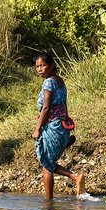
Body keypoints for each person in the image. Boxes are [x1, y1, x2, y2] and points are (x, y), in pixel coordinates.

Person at [33, 51, 86, 200]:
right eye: (37, 66)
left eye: (43, 65)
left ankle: (51, 200)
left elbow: (46, 108)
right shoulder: (60, 81)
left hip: (52, 126)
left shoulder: (48, 82)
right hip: (62, 125)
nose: (40, 69)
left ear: (52, 65)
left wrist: (37, 129)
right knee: (48, 162)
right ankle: (52, 198)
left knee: (47, 164)